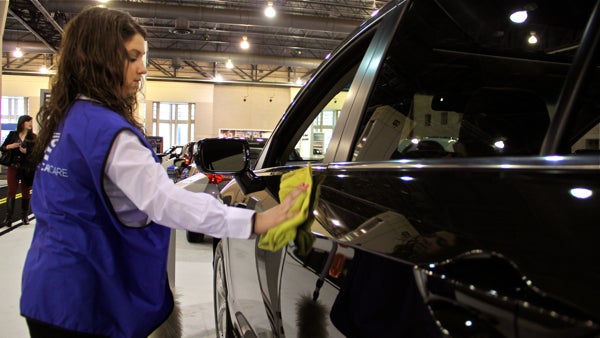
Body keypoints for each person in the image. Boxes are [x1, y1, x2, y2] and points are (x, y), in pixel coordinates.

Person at [20, 7, 307, 338]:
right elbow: (165, 202)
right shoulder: (110, 133)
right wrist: (256, 221)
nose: (143, 69)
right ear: (100, 59)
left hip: (45, 291)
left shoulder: (68, 120)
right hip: (90, 301)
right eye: (132, 57)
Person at [0, 114, 36, 227]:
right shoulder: (13, 134)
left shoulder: (33, 137)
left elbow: (36, 153)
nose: (30, 124)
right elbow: (2, 147)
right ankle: (8, 217)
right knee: (11, 191)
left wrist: (26, 151)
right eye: (28, 121)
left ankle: (24, 216)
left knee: (26, 192)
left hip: (26, 168)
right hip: (13, 166)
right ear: (22, 123)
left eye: (31, 122)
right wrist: (10, 146)